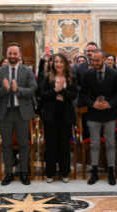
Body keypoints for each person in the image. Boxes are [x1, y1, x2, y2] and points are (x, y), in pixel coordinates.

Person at [0, 42, 37, 186]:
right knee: (6, 144)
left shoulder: (27, 71)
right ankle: (9, 173)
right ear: (7, 54)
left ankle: (24, 173)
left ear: (20, 55)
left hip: (22, 112)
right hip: (5, 113)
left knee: (24, 144)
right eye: (10, 53)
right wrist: (6, 89)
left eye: (15, 54)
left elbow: (32, 89)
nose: (12, 56)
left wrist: (18, 89)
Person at [80, 49, 117, 186]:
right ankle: (94, 172)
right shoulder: (87, 74)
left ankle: (111, 172)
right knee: (94, 144)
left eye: (97, 60)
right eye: (92, 60)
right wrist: (93, 104)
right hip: (93, 113)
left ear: (104, 59)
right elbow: (83, 95)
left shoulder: (115, 74)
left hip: (109, 114)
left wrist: (109, 104)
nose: (94, 62)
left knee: (110, 143)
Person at [40, 53, 77, 183]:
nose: (58, 64)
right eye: (56, 62)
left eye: (61, 62)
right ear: (53, 64)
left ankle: (64, 172)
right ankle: (50, 173)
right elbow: (43, 95)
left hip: (65, 114)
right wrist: (55, 90)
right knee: (51, 144)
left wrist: (61, 90)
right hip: (50, 114)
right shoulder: (47, 77)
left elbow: (73, 96)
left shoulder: (71, 78)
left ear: (65, 64)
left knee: (64, 145)